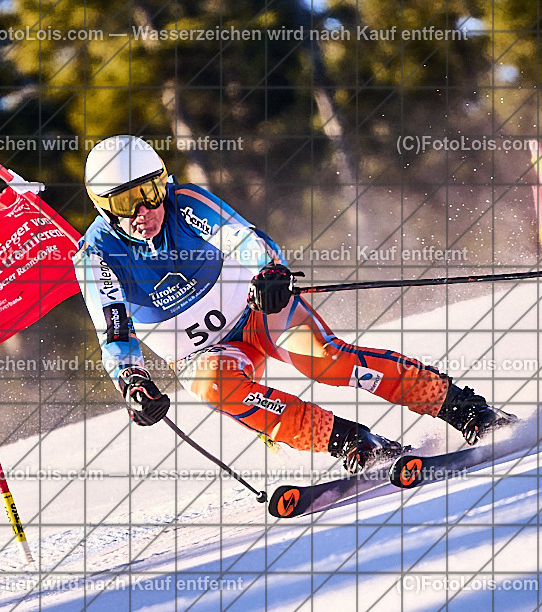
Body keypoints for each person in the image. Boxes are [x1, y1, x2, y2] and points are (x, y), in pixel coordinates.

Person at [73, 135, 515, 474]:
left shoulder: (184, 203)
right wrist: (132, 380)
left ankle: (466, 409)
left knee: (326, 360)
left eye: (150, 191)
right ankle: (351, 443)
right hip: (205, 352)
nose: (145, 210)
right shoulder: (97, 256)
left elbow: (242, 238)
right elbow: (114, 328)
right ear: (103, 207)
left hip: (256, 312)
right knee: (211, 385)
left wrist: (269, 272)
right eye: (126, 201)